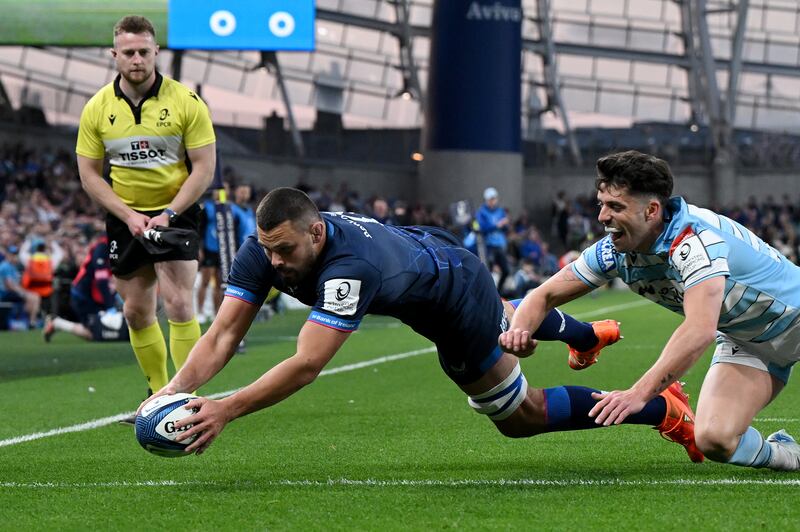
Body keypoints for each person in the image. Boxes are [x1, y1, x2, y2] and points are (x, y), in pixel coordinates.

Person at [141, 187, 700, 461]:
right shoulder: (263, 249)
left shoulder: (347, 268)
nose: (276, 263)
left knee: (519, 417)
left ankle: (660, 408)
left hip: (452, 299)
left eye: (285, 250)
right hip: (428, 262)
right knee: (506, 319)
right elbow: (221, 335)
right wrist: (172, 392)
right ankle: (584, 334)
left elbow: (308, 362)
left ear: (315, 234)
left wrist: (226, 408)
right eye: (269, 251)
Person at [501, 150, 800, 471]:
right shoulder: (613, 250)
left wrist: (640, 393)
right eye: (601, 204)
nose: (602, 217)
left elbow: (699, 329)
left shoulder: (694, 242)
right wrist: (519, 329)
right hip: (749, 341)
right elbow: (543, 296)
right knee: (713, 438)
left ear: (652, 210)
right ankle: (790, 455)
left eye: (616, 206)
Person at [75, 15, 216, 408]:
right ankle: (158, 393)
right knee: (136, 311)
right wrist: (128, 214)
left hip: (176, 212)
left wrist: (169, 213)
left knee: (179, 303)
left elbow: (204, 167)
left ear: (156, 52)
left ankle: (187, 396)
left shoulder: (186, 103)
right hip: (126, 216)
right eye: (128, 52)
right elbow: (89, 174)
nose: (136, 59)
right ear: (114, 55)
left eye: (143, 51)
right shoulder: (97, 109)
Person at [42, 234, 130, 343]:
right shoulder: (102, 247)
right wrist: (109, 306)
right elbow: (101, 279)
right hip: (84, 296)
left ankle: (57, 323)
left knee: (99, 331)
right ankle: (57, 323)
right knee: (96, 333)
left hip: (93, 295)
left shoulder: (113, 246)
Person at [476, 187, 511, 296]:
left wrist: (505, 225)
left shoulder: (500, 211)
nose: (493, 201)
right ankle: (487, 294)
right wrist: (497, 225)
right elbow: (482, 228)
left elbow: (506, 228)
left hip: (500, 245)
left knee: (506, 270)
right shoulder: (481, 212)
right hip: (488, 246)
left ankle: (498, 293)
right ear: (486, 200)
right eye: (490, 199)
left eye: (494, 198)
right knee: (488, 271)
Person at [0, 245, 41, 329]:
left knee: (35, 297)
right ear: (8, 255)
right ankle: (30, 321)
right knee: (32, 298)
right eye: (12, 254)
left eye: (15, 254)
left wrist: (23, 291)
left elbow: (16, 284)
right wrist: (22, 292)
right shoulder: (5, 266)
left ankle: (30, 321)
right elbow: (9, 285)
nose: (14, 256)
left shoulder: (13, 266)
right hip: (5, 293)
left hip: (12, 292)